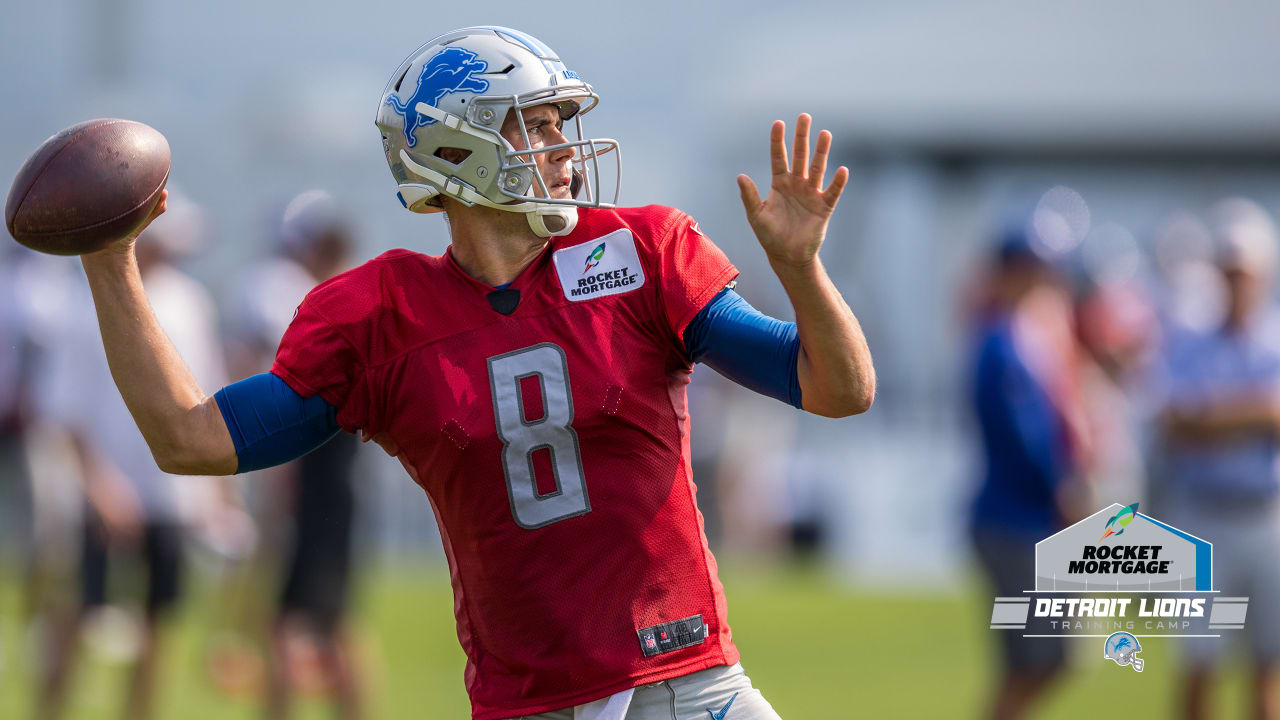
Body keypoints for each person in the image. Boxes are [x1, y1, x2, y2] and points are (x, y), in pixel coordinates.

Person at [72, 26, 874, 720]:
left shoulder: (640, 254)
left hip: (689, 684)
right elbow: (190, 438)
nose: (563, 148)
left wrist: (802, 271)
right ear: (457, 150)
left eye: (562, 122)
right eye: (536, 125)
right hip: (527, 703)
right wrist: (111, 261)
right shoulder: (378, 316)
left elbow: (839, 390)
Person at [34, 190, 235, 720]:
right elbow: (66, 411)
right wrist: (99, 487)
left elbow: (208, 397)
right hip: (105, 496)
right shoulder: (85, 303)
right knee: (77, 617)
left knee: (157, 625)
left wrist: (217, 495)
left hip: (172, 495)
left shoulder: (192, 302)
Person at [227, 190, 363, 720]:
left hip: (304, 461)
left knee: (294, 621)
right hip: (330, 460)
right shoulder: (335, 291)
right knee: (326, 619)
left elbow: (250, 373)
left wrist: (269, 472)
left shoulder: (274, 288)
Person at [1159, 198, 1280, 720]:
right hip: (1203, 516)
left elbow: (1201, 420)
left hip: (1265, 515)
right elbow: (1175, 424)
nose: (1237, 284)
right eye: (1228, 272)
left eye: (1245, 273)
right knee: (1198, 670)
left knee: (1266, 671)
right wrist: (1254, 413)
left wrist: (1213, 417)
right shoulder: (1188, 339)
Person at [968, 232, 1085, 720]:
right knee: (1037, 661)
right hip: (1016, 522)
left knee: (1047, 660)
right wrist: (1062, 486)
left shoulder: (1022, 336)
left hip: (1027, 520)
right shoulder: (1000, 342)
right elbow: (1022, 435)